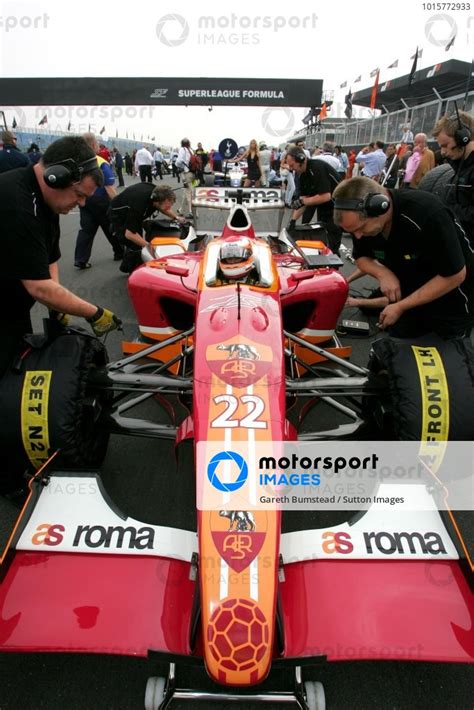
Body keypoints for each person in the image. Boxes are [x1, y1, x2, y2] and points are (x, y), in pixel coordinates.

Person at [0, 135, 121, 375]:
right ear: (57, 177)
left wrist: (58, 306)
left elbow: (50, 258)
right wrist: (94, 313)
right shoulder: (16, 204)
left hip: (12, 308)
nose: (82, 204)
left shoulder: (47, 200)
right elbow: (39, 287)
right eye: (79, 195)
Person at [333, 176, 474, 339]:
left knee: (445, 358)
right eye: (351, 232)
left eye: (361, 228)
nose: (357, 237)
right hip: (408, 296)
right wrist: (383, 274)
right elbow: (361, 257)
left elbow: (454, 275)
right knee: (399, 350)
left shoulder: (427, 212)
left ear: (380, 207)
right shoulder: (360, 224)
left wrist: (401, 306)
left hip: (450, 302)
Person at [109, 182, 185, 273]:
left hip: (133, 207)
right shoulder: (139, 205)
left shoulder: (158, 192)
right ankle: (134, 273)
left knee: (138, 241)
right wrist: (150, 247)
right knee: (135, 242)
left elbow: (163, 208)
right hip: (119, 215)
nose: (169, 208)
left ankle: (126, 266)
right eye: (168, 205)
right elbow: (129, 234)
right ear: (157, 201)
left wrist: (176, 218)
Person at [73, 132, 122, 269]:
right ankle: (119, 252)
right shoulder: (100, 162)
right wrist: (119, 203)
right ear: (94, 145)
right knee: (110, 227)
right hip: (100, 199)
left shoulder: (75, 162)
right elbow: (109, 187)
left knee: (86, 230)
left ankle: (80, 259)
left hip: (84, 199)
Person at [286, 144, 343, 253]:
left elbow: (326, 196)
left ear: (301, 159)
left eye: (292, 165)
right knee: (323, 241)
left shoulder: (317, 167)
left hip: (338, 207)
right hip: (324, 208)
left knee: (331, 245)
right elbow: (303, 200)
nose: (291, 168)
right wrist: (292, 222)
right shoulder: (302, 175)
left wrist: (303, 201)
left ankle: (333, 267)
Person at [432, 110, 474, 240]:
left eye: (445, 145)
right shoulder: (459, 166)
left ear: (463, 138)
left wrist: (446, 210)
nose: (443, 152)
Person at [176, 138, 195, 217]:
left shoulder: (182, 150)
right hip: (193, 173)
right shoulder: (191, 150)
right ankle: (181, 210)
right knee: (188, 191)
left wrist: (177, 165)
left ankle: (191, 211)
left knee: (189, 192)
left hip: (186, 173)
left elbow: (179, 161)